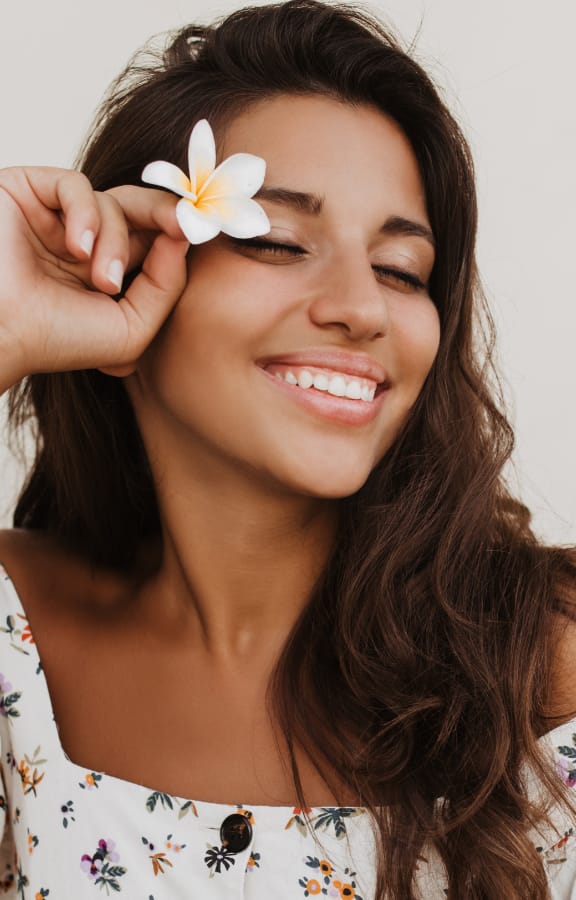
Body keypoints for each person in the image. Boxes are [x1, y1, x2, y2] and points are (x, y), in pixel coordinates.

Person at [0, 1, 574, 897]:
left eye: (401, 270)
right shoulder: (14, 640)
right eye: (275, 240)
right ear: (125, 277)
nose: (362, 306)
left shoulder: (545, 663)